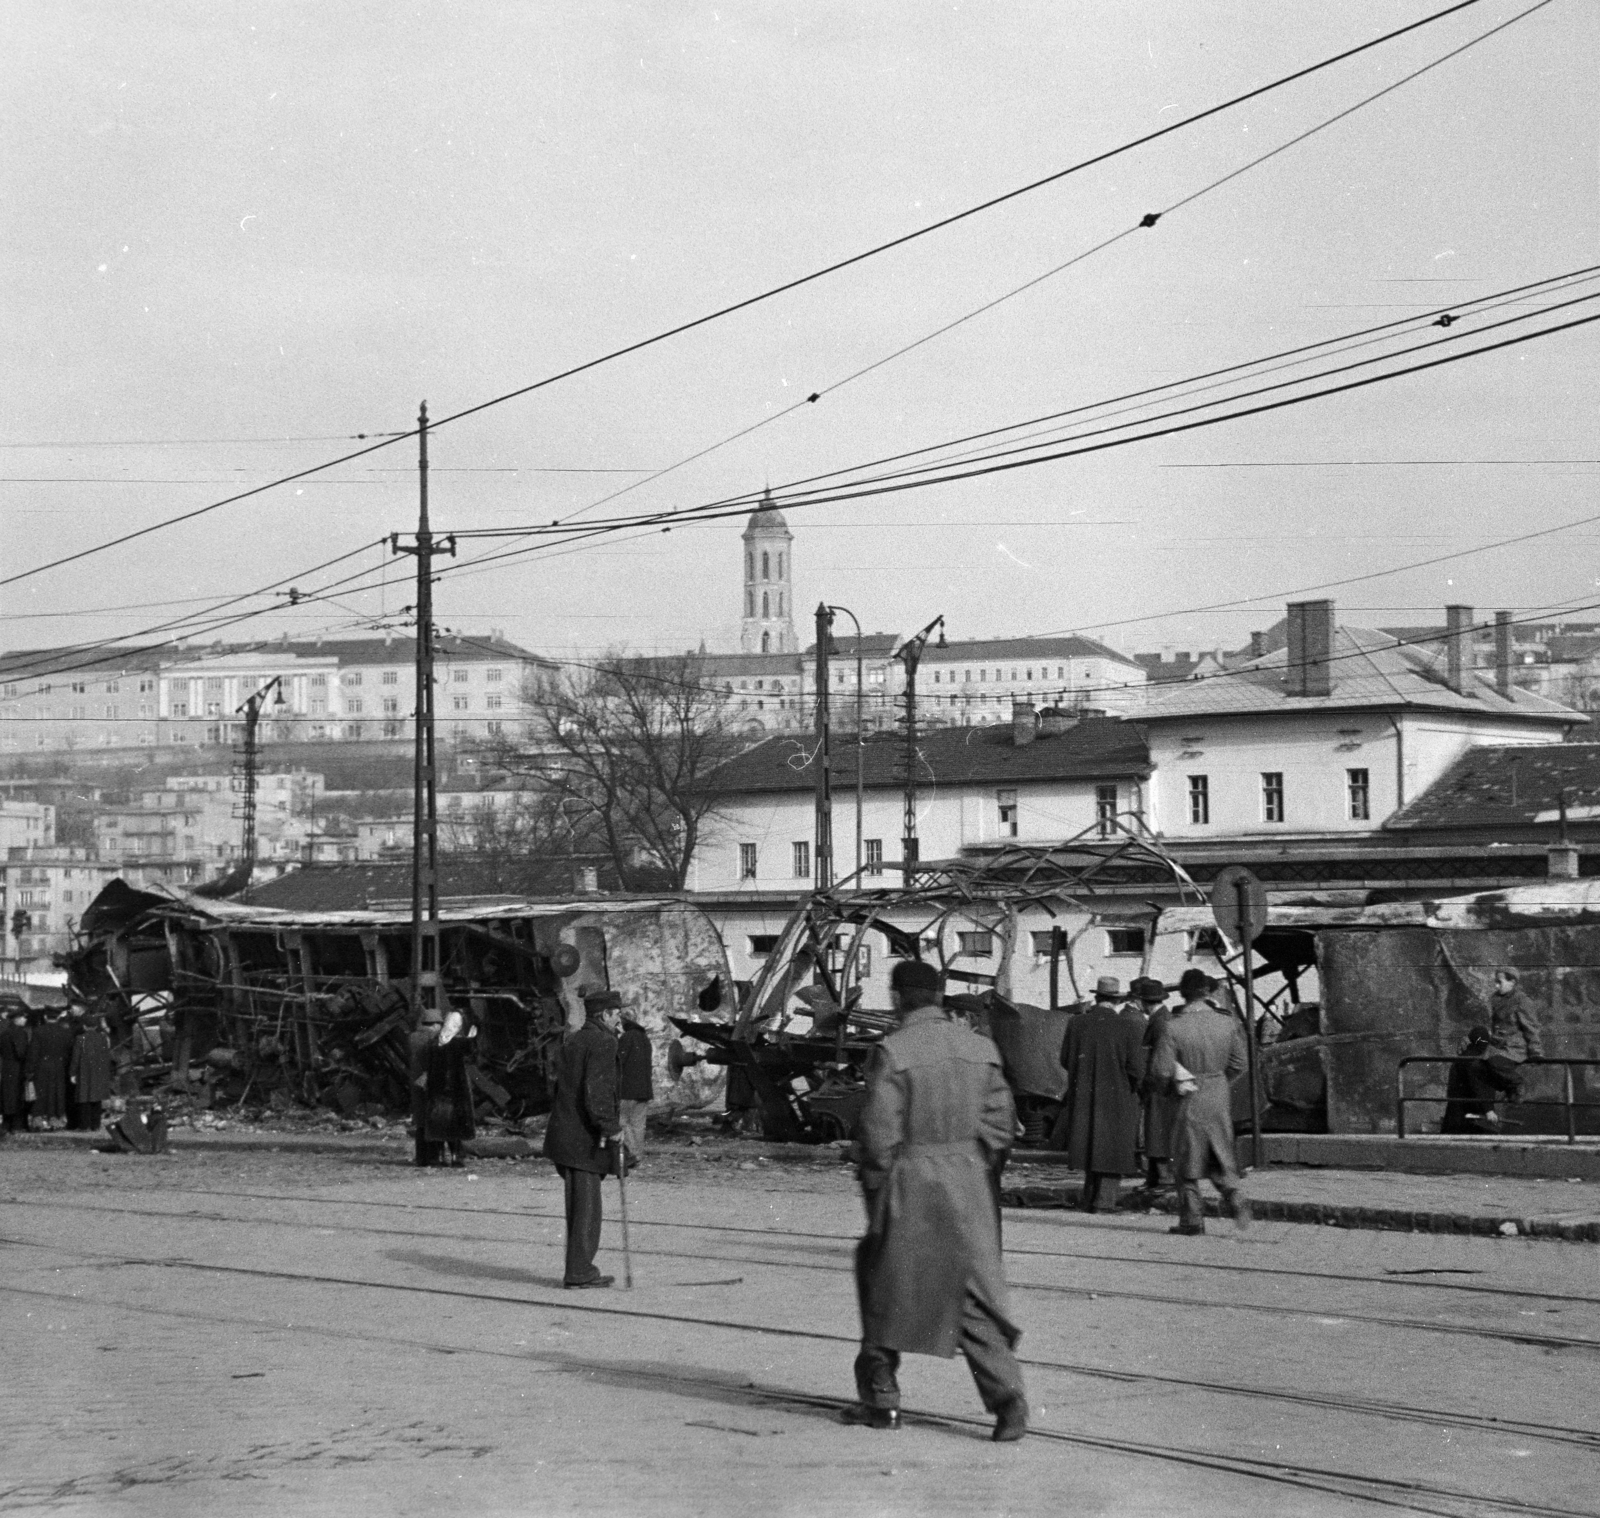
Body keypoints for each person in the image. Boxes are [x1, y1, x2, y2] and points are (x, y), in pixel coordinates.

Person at [847, 959, 1027, 1442]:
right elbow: (1000, 1125)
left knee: (884, 1284)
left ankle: (881, 1400)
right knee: (970, 1293)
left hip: (910, 1181)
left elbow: (879, 1134)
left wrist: (877, 1186)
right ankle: (1010, 1402)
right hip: (967, 1181)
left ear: (896, 997)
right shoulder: (979, 1047)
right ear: (939, 996)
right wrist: (971, 1165)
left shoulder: (893, 1051)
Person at [1151, 969, 1250, 1236]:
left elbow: (1162, 1071)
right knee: (1218, 1151)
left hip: (1187, 1095)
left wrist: (1167, 1090)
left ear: (1183, 994)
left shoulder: (1173, 1026)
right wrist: (1219, 1081)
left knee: (1185, 1156)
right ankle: (1234, 1194)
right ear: (1207, 992)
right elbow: (1240, 1063)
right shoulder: (1227, 1022)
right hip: (1218, 1093)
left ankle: (1191, 1219)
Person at [542, 988, 625, 1289]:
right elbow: (597, 1092)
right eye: (617, 1014)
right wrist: (611, 1127)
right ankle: (579, 1272)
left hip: (565, 1135)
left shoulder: (574, 1039)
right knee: (587, 1211)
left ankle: (578, 1269)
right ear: (606, 1014)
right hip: (583, 1141)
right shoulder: (603, 1041)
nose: (620, 1021)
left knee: (578, 1209)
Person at [1049, 975, 1143, 1214]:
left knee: (1091, 1144)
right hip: (1118, 1095)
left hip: (1084, 1093)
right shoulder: (1127, 1025)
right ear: (1117, 1000)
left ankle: (1089, 1199)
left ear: (1097, 997)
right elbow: (1136, 1068)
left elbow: (1065, 1059)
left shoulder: (1077, 1023)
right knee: (1112, 1147)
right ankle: (1104, 1202)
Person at [1477, 969, 1544, 1126]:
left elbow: (1531, 1028)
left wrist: (1535, 1051)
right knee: (1479, 1066)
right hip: (1498, 1044)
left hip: (1515, 1046)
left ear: (1512, 982)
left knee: (1495, 1062)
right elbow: (1492, 1024)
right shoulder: (1494, 999)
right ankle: (1495, 1107)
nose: (1496, 985)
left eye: (1500, 982)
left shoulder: (1522, 1001)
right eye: (1496, 982)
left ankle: (1517, 1084)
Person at [1134, 977, 1179, 1192]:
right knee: (1154, 1132)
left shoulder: (1160, 1022)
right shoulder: (1161, 1018)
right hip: (1161, 1084)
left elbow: (1159, 1058)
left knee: (1157, 1133)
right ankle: (1154, 1178)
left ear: (1145, 1002)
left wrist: (1147, 1084)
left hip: (1159, 1086)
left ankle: (1164, 1178)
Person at [423, 1007, 478, 1167]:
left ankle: (439, 1157)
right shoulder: (459, 1043)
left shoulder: (434, 1042)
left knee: (438, 1125)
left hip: (437, 1089)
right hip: (455, 1089)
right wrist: (471, 1039)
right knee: (455, 1126)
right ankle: (455, 1157)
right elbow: (471, 1055)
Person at [408, 1004, 445, 1167]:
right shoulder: (436, 1038)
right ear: (436, 1024)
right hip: (432, 1082)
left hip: (416, 1082)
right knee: (435, 1120)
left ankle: (421, 1158)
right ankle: (434, 1157)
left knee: (421, 1123)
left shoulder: (412, 1037)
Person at [25, 1008, 73, 1130]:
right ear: (58, 1017)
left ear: (45, 1017)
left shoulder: (38, 1031)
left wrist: (30, 1069)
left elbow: (34, 1052)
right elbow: (68, 1051)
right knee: (57, 1092)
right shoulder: (65, 1032)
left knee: (41, 1092)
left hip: (42, 1065)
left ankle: (39, 1120)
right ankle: (56, 1119)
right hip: (59, 1066)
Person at [616, 1010, 653, 1162]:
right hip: (644, 1089)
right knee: (638, 1124)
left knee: (622, 1121)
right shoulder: (645, 1038)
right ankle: (638, 1155)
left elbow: (619, 1062)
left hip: (627, 1089)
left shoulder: (627, 1037)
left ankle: (632, 1154)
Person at [69, 1012, 113, 1132]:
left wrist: (72, 1073)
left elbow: (76, 1057)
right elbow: (106, 1056)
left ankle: (84, 1125)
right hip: (99, 1072)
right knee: (96, 1099)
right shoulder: (103, 1038)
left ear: (84, 1026)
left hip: (84, 1072)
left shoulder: (80, 1038)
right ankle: (95, 1124)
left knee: (84, 1098)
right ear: (96, 1026)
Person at [1, 1009, 30, 1134]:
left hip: (6, 1066)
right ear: (16, 1019)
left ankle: (6, 1123)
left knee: (7, 1095)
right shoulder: (20, 1033)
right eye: (23, 1017)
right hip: (17, 1067)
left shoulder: (4, 1032)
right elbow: (21, 1052)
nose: (25, 1020)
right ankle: (16, 1124)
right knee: (17, 1095)